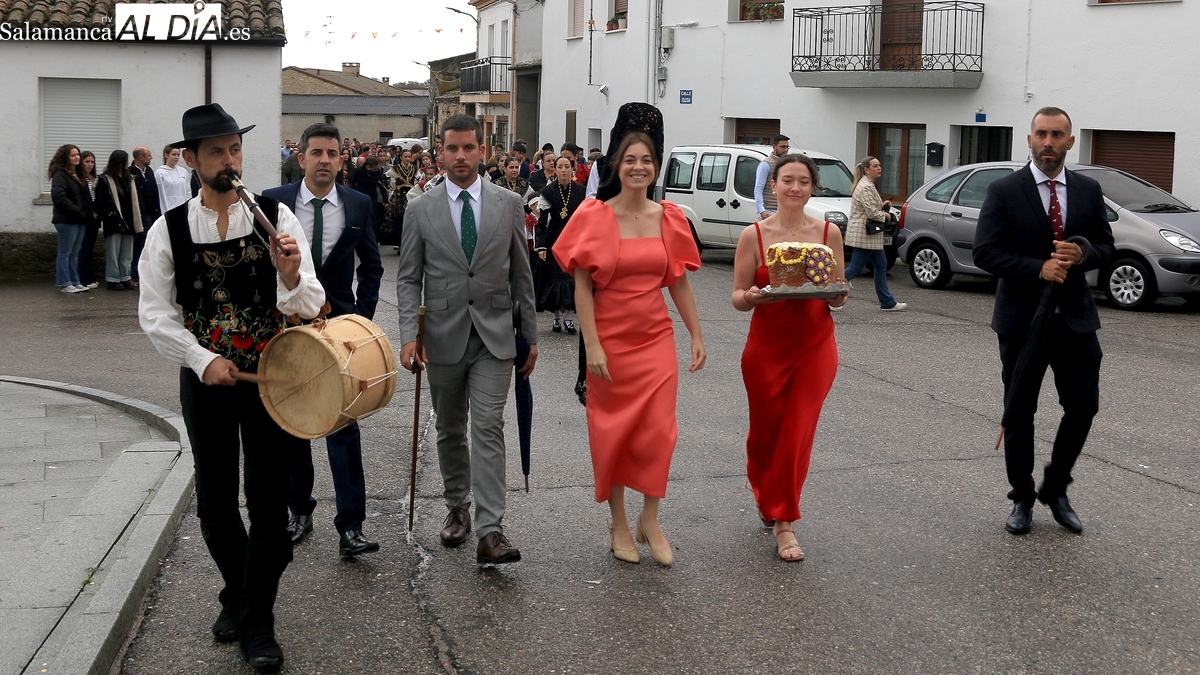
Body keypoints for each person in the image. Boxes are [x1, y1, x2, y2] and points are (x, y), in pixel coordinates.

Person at [138, 103, 324, 673]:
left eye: (235, 149)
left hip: (270, 378)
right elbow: (155, 315)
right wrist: (199, 359)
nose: (230, 161)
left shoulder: (278, 218)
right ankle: (240, 595)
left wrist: (290, 276)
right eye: (216, 152)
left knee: (270, 506)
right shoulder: (167, 230)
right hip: (209, 382)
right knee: (217, 507)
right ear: (191, 160)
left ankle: (256, 620)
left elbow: (311, 303)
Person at [553, 130, 705, 567]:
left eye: (647, 160)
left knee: (659, 431)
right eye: (630, 160)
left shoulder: (668, 216)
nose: (639, 167)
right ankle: (618, 522)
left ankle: (650, 519)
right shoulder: (594, 215)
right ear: (617, 167)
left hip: (655, 337)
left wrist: (695, 334)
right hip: (610, 339)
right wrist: (593, 346)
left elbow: (678, 280)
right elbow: (582, 288)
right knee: (613, 432)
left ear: (655, 167)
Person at [396, 114, 538, 565]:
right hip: (441, 335)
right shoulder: (420, 208)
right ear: (440, 151)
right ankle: (458, 507)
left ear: (483, 151)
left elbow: (522, 273)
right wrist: (408, 337)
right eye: (452, 149)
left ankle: (491, 531)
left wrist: (530, 334)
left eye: (469, 148)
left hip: (496, 335)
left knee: (489, 426)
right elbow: (407, 279)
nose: (460, 156)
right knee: (450, 428)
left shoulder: (508, 203)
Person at [973, 107, 1115, 536]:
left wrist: (1083, 254)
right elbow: (985, 252)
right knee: (1019, 412)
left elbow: (1106, 246)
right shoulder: (1004, 190)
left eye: (1057, 134)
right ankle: (1021, 498)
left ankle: (1055, 487)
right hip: (1022, 322)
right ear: (1029, 140)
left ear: (1071, 141)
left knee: (1084, 406)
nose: (1049, 142)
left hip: (1074, 319)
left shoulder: (1088, 190)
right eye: (1041, 134)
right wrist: (1038, 269)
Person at [262, 123, 384, 558]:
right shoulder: (273, 203)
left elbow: (372, 266)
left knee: (343, 427)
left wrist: (360, 320)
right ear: (302, 158)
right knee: (294, 425)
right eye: (317, 153)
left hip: (340, 334)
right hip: (290, 331)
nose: (326, 160)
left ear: (341, 159)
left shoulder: (358, 204)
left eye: (333, 153)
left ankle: (351, 526)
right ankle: (300, 510)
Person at [731, 154, 847, 562]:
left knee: (797, 429)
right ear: (773, 185)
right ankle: (766, 490)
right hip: (765, 348)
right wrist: (754, 296)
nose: (795, 188)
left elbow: (838, 292)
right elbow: (737, 296)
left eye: (803, 181)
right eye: (787, 181)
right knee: (766, 434)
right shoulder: (754, 236)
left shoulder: (829, 231)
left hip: (815, 345)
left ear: (811, 187)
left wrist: (837, 296)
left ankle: (785, 521)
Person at [844, 156, 907, 311]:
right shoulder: (865, 186)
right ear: (866, 169)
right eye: (875, 166)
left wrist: (882, 205)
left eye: (879, 165)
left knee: (881, 265)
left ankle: (887, 302)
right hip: (864, 234)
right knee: (855, 268)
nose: (879, 168)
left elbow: (870, 206)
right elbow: (871, 212)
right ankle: (829, 295)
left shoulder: (868, 185)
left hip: (870, 235)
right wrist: (885, 215)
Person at [535, 156, 585, 332]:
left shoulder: (581, 191)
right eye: (560, 167)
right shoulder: (548, 192)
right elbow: (541, 222)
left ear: (573, 169)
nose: (564, 170)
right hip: (554, 241)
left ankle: (569, 319)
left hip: (574, 240)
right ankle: (556, 319)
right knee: (554, 277)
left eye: (567, 167)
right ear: (554, 169)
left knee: (571, 277)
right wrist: (541, 246)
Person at [94, 150, 144, 291]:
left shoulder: (130, 179)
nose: (128, 163)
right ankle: (113, 279)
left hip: (129, 219)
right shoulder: (104, 180)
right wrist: (110, 215)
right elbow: (100, 201)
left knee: (127, 253)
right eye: (126, 160)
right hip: (113, 220)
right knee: (113, 252)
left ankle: (125, 277)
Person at [48, 144, 91, 293]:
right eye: (73, 155)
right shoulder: (59, 174)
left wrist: (87, 212)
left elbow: (85, 196)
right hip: (66, 220)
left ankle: (75, 281)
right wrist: (77, 211)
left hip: (79, 219)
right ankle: (64, 283)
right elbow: (59, 197)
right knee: (65, 252)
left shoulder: (78, 174)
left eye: (78, 154)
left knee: (74, 253)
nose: (77, 157)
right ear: (65, 157)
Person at [77, 151, 101, 289]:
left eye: (92, 162)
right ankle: (83, 278)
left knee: (90, 248)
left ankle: (90, 277)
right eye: (87, 162)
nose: (90, 165)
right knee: (84, 248)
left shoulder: (95, 178)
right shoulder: (80, 179)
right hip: (85, 218)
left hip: (94, 219)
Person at [754, 134, 790, 220]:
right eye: (783, 147)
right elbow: (758, 188)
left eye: (787, 147)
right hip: (769, 210)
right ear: (774, 147)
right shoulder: (766, 164)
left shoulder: (788, 164)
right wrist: (762, 210)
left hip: (784, 210)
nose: (785, 150)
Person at [156, 145, 193, 214]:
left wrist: (188, 207)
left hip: (183, 209)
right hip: (169, 209)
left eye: (178, 155)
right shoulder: (160, 173)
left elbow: (188, 191)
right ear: (166, 155)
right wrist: (165, 213)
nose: (176, 157)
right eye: (173, 154)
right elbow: (161, 195)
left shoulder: (183, 171)